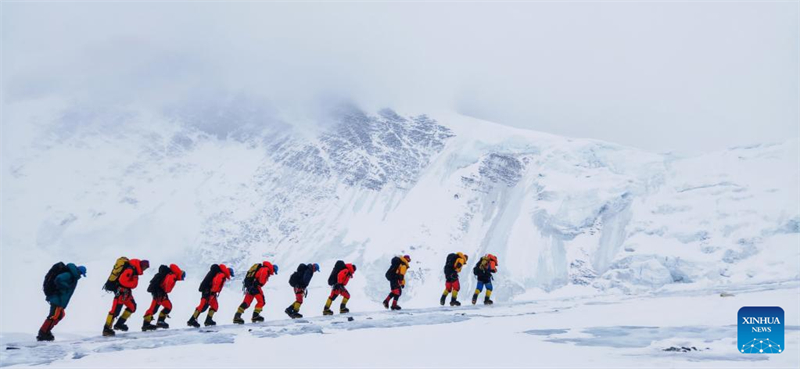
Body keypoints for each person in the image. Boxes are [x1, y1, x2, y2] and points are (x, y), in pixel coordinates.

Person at [38, 263, 86, 341]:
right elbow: (58, 279)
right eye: (81, 273)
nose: (80, 275)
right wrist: (66, 287)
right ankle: (43, 333)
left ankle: (47, 331)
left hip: (59, 300)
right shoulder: (69, 274)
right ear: (79, 271)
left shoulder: (72, 276)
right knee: (53, 316)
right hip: (56, 298)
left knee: (60, 315)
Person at [103, 258, 149, 336]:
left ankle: (119, 324)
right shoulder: (131, 270)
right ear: (142, 265)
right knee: (115, 311)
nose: (145, 269)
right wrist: (133, 283)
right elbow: (122, 280)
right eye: (145, 267)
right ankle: (106, 329)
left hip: (125, 292)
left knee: (132, 307)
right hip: (121, 292)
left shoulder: (135, 270)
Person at [142, 264, 185, 331]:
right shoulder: (172, 275)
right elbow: (168, 285)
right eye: (183, 276)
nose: (182, 278)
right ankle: (155, 322)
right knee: (165, 307)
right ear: (180, 273)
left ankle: (150, 323)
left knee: (156, 307)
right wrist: (166, 291)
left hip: (158, 291)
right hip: (160, 292)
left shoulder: (171, 274)